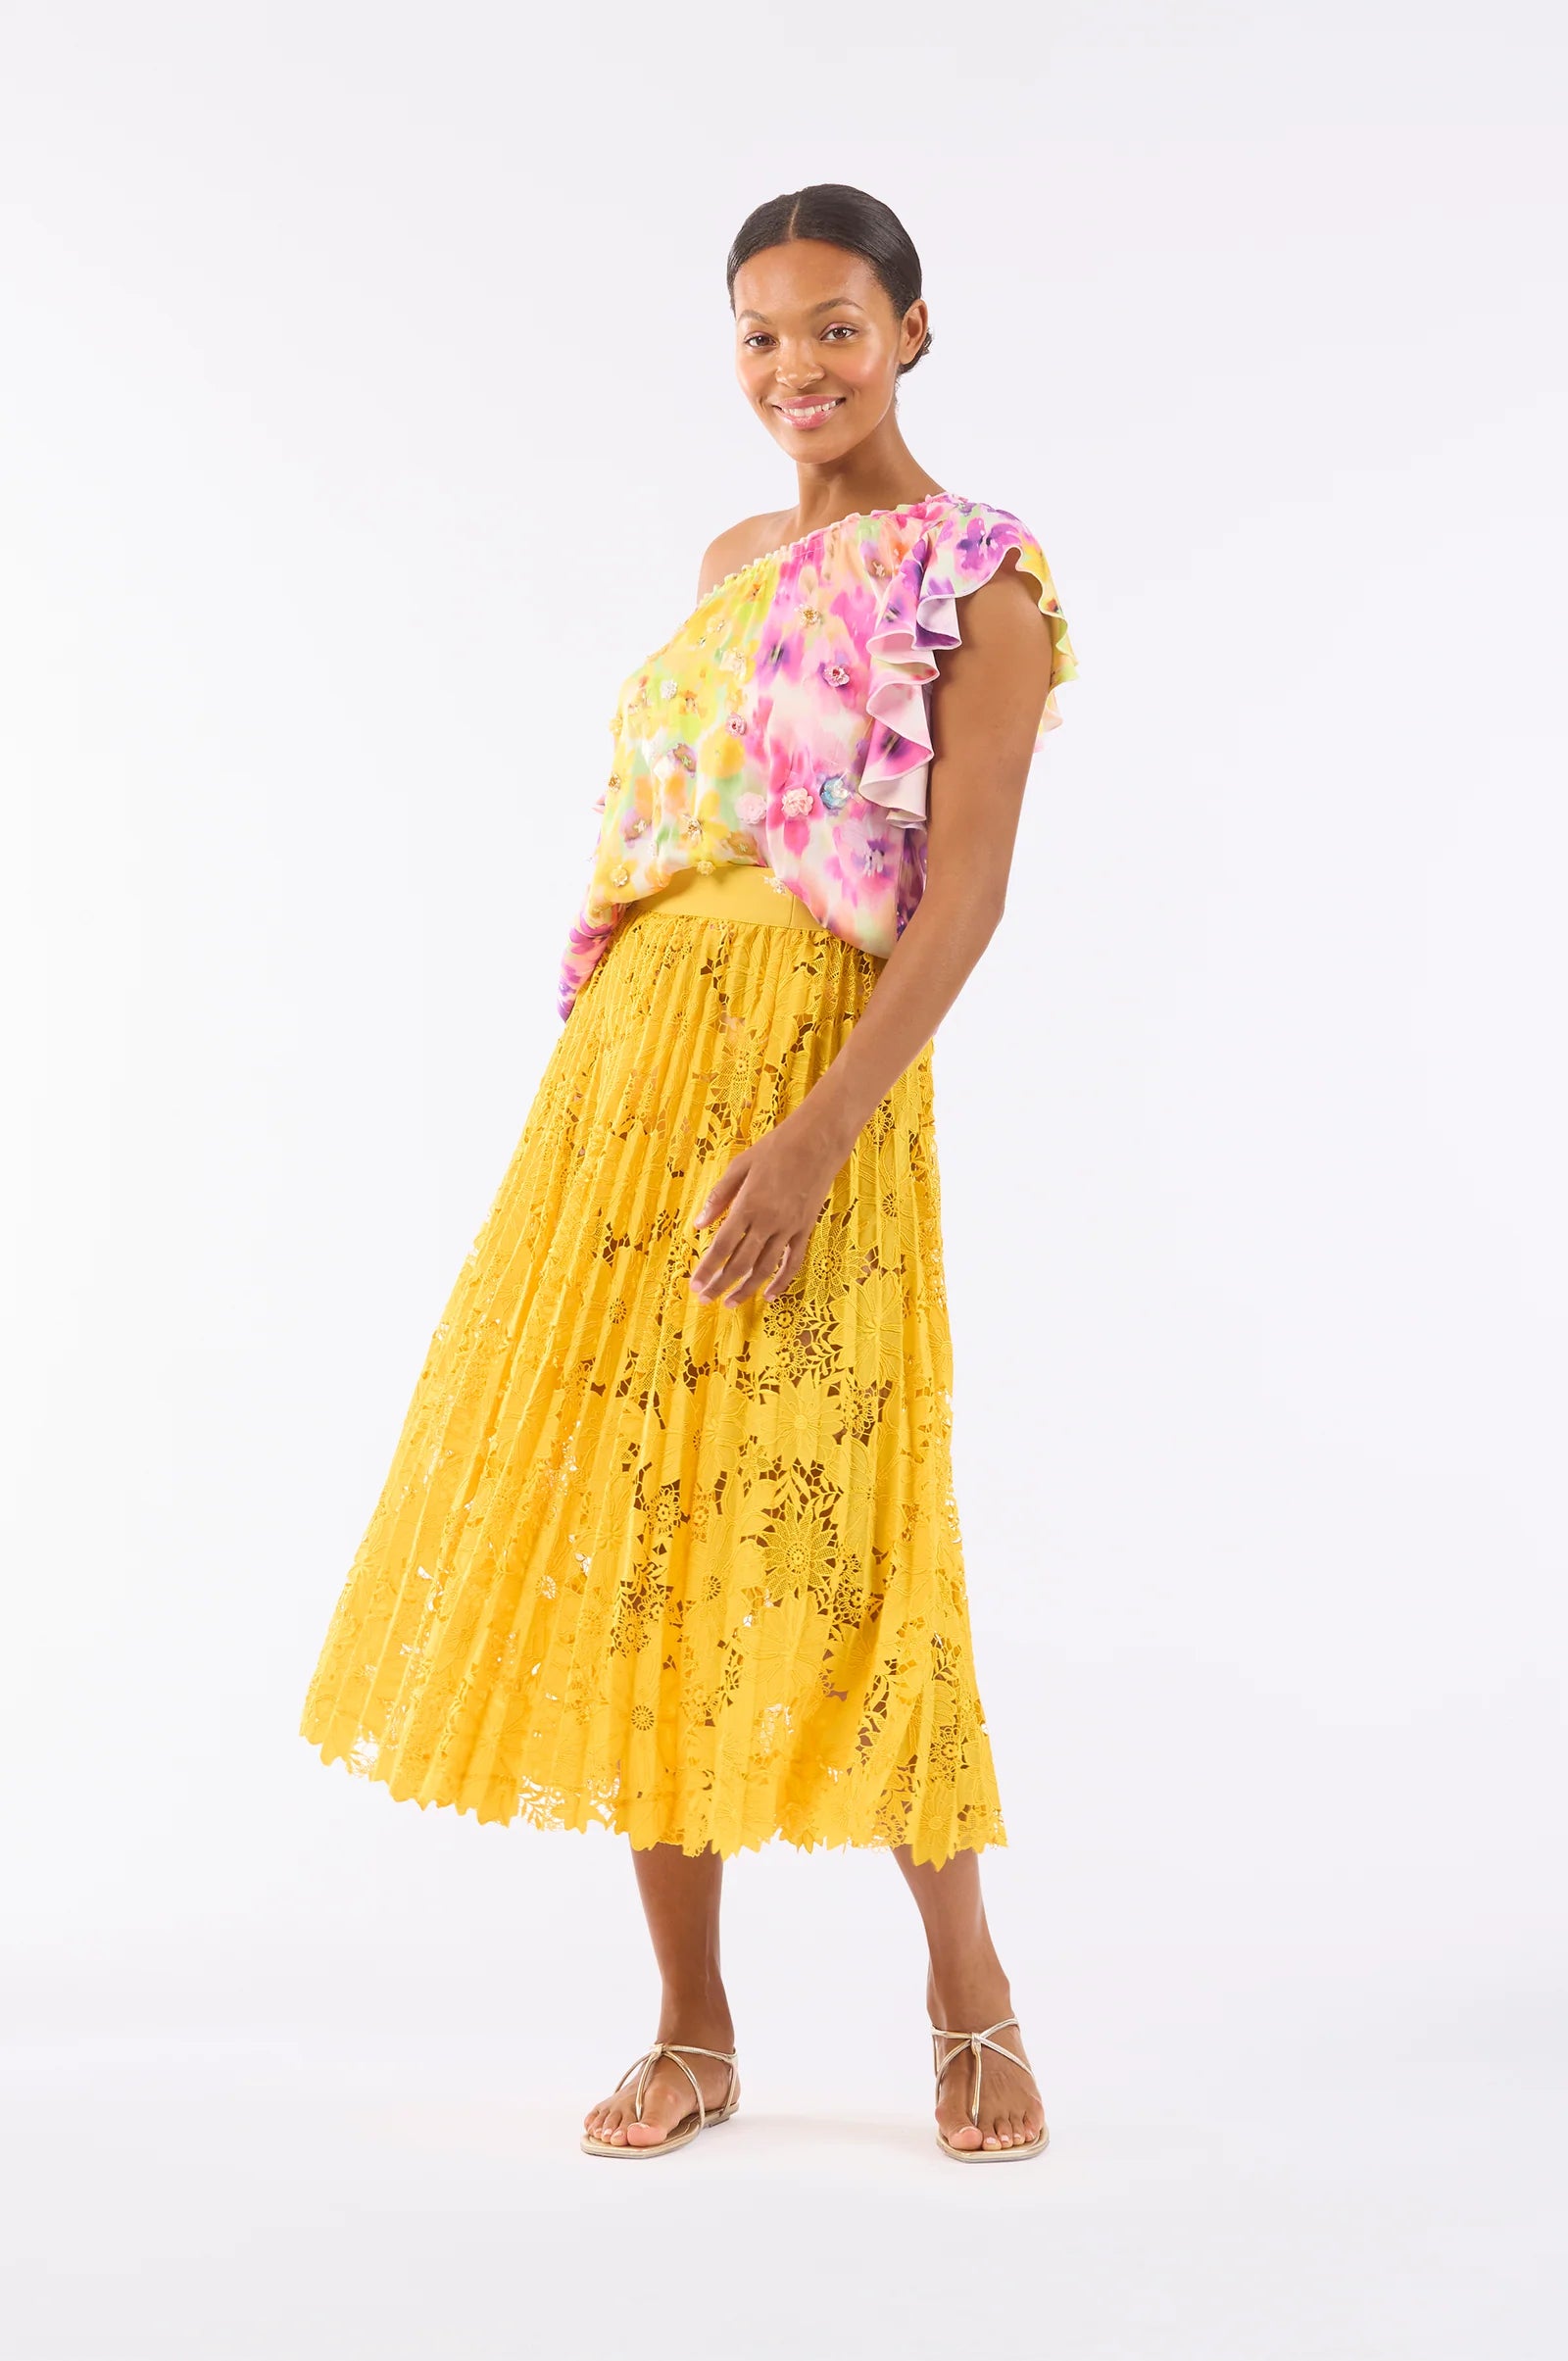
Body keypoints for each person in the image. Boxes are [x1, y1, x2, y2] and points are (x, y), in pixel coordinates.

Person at [299, 181, 1077, 2164]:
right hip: (632, 1074)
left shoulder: (974, 578)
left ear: (910, 329)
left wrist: (818, 1131)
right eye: (754, 333)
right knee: (636, 1521)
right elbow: (658, 846)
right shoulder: (729, 560)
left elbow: (963, 898)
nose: (792, 368)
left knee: (851, 1525)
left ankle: (966, 1994)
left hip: (820, 1079)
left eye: (830, 325)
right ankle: (691, 2024)